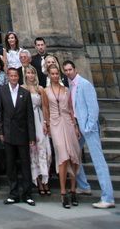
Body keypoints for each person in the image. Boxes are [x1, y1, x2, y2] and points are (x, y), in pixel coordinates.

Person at [63, 59, 115, 210]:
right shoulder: (71, 86)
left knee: (99, 162)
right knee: (74, 155)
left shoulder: (85, 84)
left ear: (75, 69)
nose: (68, 72)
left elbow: (93, 108)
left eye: (69, 70)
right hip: (79, 128)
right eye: (65, 70)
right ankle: (84, 185)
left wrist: (89, 126)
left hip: (88, 129)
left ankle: (108, 197)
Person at [0, 66, 36, 206]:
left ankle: (27, 193)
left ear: (19, 77)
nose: (13, 78)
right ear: (8, 76)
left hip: (22, 133)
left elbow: (30, 116)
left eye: (15, 76)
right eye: (11, 75)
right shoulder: (2, 91)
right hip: (7, 133)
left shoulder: (25, 93)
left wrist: (31, 136)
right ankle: (13, 193)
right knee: (11, 165)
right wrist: (0, 131)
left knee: (25, 164)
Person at [43, 63, 81, 208]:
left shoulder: (66, 90)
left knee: (74, 157)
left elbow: (71, 109)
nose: (55, 76)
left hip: (68, 123)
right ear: (49, 75)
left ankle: (73, 191)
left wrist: (75, 125)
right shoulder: (45, 91)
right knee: (62, 156)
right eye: (52, 74)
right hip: (55, 124)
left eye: (56, 73)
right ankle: (63, 192)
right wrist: (47, 125)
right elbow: (45, 108)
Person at [22, 65, 51, 195]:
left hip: (40, 120)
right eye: (28, 73)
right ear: (25, 75)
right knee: (33, 152)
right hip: (29, 121)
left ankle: (46, 179)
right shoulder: (23, 89)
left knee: (46, 151)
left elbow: (45, 107)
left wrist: (46, 122)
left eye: (32, 72)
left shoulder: (40, 89)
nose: (31, 75)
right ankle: (39, 180)